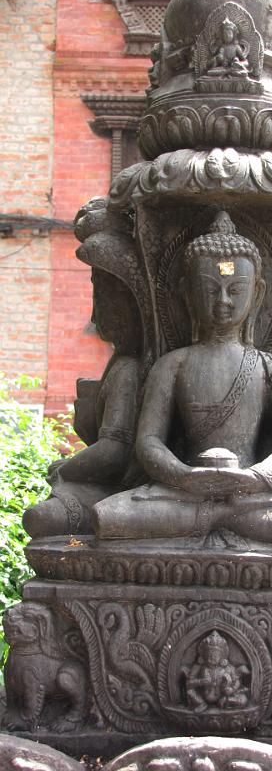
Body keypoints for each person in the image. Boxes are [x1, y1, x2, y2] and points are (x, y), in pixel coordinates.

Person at [92, 212, 272, 546]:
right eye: (210, 289)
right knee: (107, 516)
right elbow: (149, 442)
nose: (223, 301)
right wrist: (184, 476)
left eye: (235, 289)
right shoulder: (172, 365)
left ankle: (214, 519)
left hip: (252, 492)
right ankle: (222, 518)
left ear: (257, 293)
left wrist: (255, 477)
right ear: (187, 293)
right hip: (185, 492)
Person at [23, 212, 146, 538]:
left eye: (103, 299)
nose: (95, 314)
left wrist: (67, 467)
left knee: (44, 517)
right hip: (110, 488)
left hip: (128, 491)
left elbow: (114, 451)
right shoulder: (120, 364)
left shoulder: (128, 369)